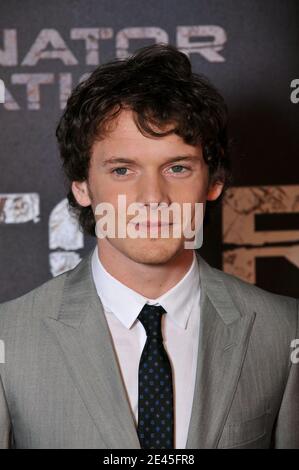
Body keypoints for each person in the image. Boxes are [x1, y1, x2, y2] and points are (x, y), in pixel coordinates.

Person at [0, 43, 298, 449]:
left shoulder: (284, 330)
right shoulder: (10, 338)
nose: (152, 197)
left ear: (214, 183)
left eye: (177, 168)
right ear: (82, 186)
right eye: (123, 170)